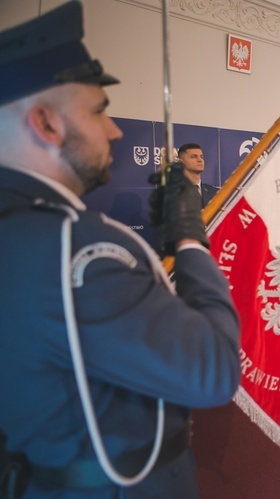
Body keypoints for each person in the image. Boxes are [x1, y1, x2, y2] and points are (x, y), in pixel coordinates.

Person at [0, 3, 240, 498]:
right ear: (46, 123)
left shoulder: (20, 229)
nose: (114, 130)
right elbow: (214, 369)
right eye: (98, 110)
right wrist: (190, 240)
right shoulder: (73, 246)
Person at [178, 142, 219, 207]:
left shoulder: (216, 193)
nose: (200, 160)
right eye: (194, 157)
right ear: (181, 163)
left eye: (201, 157)